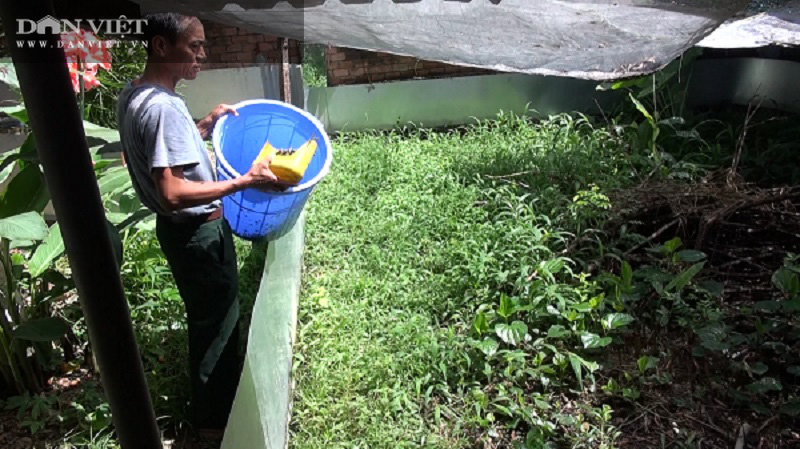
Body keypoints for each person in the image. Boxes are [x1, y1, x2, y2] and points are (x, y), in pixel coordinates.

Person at [116, 12, 285, 436]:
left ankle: (214, 415)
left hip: (177, 233)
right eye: (194, 46)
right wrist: (244, 181)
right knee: (217, 328)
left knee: (207, 319)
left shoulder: (134, 94)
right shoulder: (164, 109)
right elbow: (172, 191)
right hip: (198, 232)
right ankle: (217, 426)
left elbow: (165, 154)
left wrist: (204, 125)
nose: (203, 55)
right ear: (160, 46)